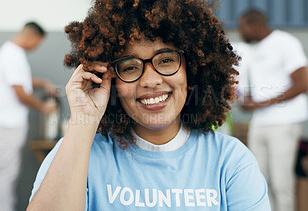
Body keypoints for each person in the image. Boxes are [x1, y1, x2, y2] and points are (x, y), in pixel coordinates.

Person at [27, 1, 271, 210]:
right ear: (110, 79)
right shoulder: (77, 152)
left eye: (166, 60)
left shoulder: (229, 160)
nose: (151, 81)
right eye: (130, 67)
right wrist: (84, 120)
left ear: (193, 70)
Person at [237, 9, 308, 211]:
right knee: (257, 180)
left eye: (242, 27)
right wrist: (249, 102)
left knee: (281, 182)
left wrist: (260, 104)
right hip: (260, 122)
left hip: (284, 122)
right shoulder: (253, 50)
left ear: (253, 25)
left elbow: (303, 84)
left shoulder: (285, 43)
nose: (240, 32)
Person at [0, 22, 57, 211]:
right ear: (31, 36)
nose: (36, 47)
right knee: (7, 173)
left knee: (8, 172)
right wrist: (43, 107)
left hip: (7, 123)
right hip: (7, 124)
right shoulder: (12, 55)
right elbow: (19, 92)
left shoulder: (11, 53)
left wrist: (41, 82)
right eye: (38, 43)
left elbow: (19, 80)